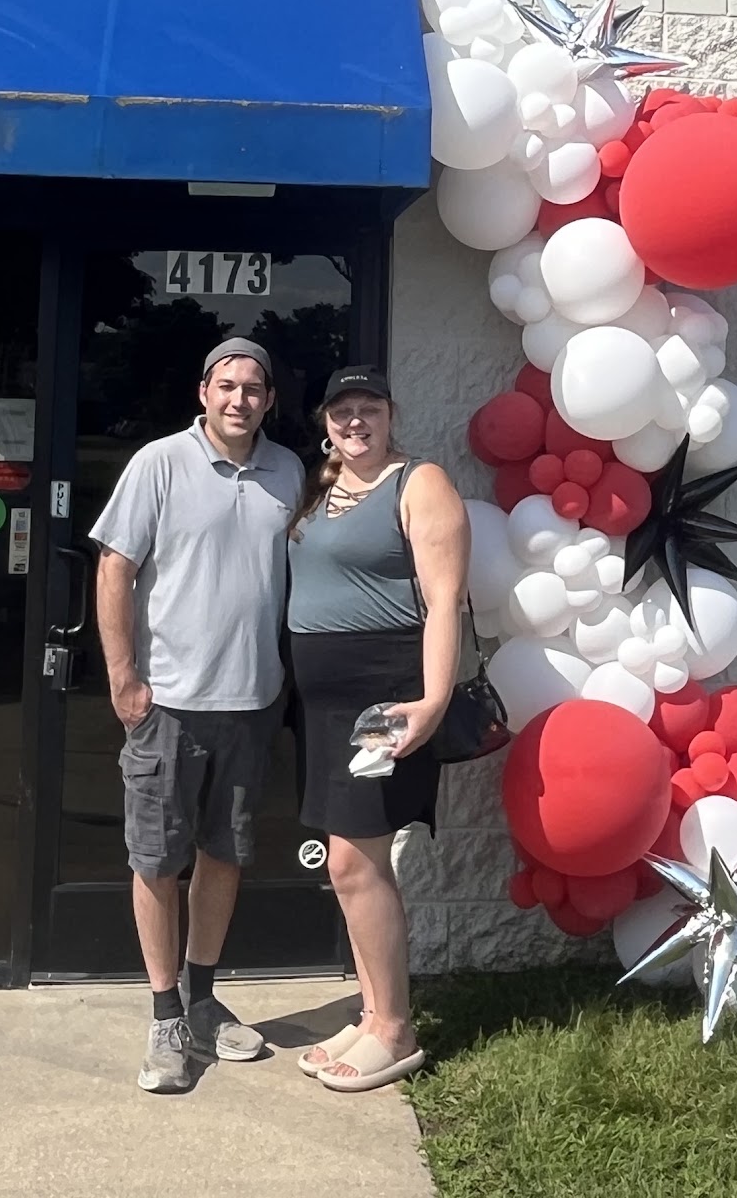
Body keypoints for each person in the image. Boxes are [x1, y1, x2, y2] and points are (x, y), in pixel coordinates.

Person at [93, 336, 304, 1095]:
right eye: (227, 385)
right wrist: (123, 678)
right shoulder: (159, 463)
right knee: (157, 860)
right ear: (203, 392)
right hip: (170, 704)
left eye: (253, 388)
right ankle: (165, 1018)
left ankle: (204, 1000)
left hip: (251, 704)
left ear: (269, 400)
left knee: (225, 854)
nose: (239, 399)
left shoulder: (288, 472)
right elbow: (115, 567)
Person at [286, 366, 470, 1093]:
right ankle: (370, 1015)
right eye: (342, 410)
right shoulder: (324, 486)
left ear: (392, 414)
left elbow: (445, 600)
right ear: (325, 422)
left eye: (369, 408)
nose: (355, 420)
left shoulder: (420, 483)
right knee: (347, 860)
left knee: (356, 862)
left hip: (380, 697)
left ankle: (395, 1030)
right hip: (324, 704)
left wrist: (432, 700)